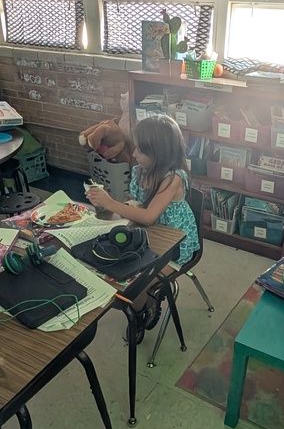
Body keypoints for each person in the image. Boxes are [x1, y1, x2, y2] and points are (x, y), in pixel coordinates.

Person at [85, 113, 200, 341]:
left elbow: (148, 216)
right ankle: (139, 306)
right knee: (115, 271)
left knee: (135, 284)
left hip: (175, 246)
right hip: (148, 236)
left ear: (159, 153)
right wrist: (104, 207)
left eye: (140, 150)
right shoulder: (140, 170)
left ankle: (142, 309)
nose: (134, 154)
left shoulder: (173, 178)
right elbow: (135, 206)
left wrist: (111, 203)